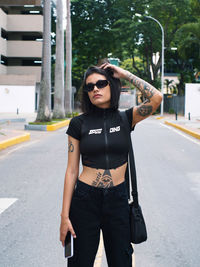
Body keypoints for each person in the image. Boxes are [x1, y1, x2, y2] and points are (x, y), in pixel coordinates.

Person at [60, 62, 162, 267]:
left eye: (101, 83)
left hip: (118, 199)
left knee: (121, 260)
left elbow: (157, 98)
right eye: (90, 86)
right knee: (80, 262)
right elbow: (71, 171)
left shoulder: (126, 118)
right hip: (85, 200)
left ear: (111, 85)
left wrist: (124, 74)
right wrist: (64, 216)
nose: (95, 89)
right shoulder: (78, 124)